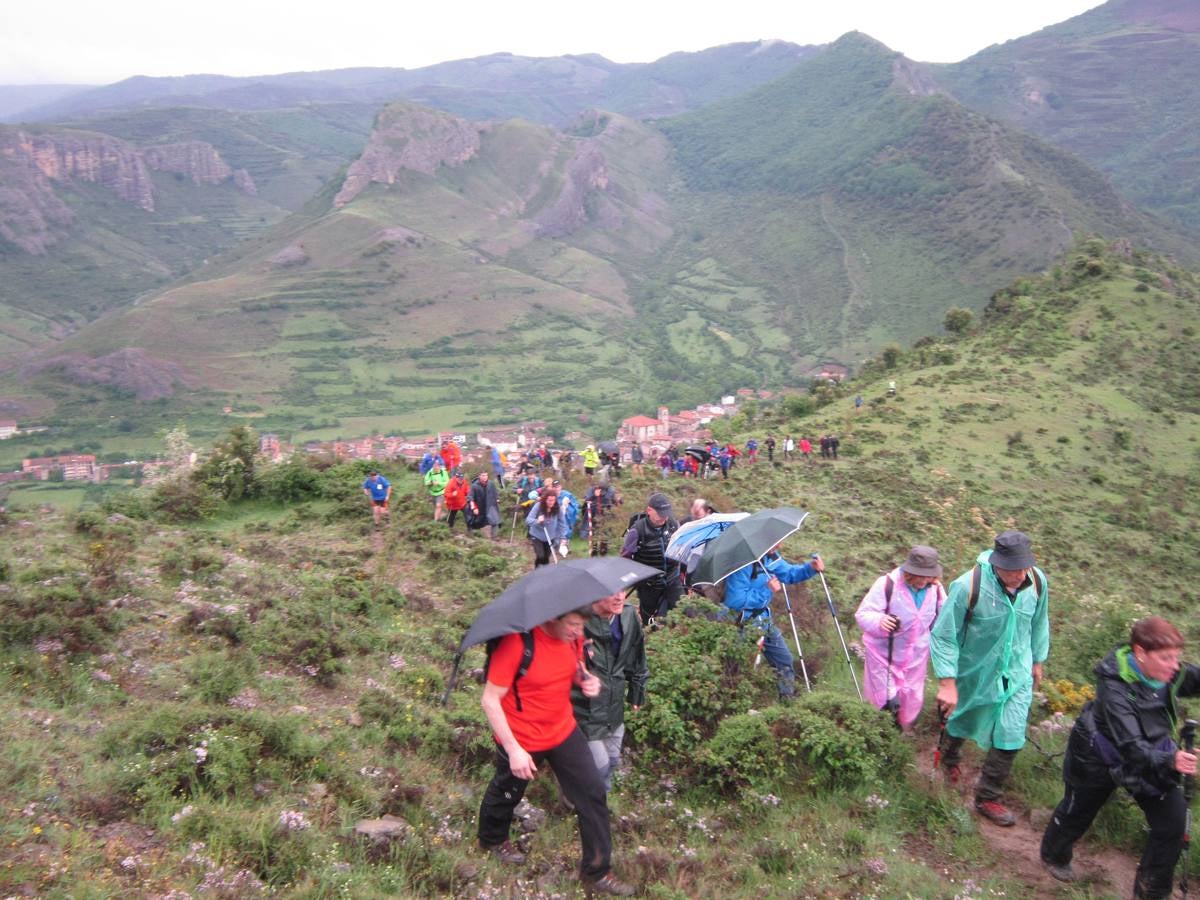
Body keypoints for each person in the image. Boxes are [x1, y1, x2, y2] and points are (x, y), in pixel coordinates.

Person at [478, 608, 635, 896]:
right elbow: (490, 700)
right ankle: (492, 840)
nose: (579, 632)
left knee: (592, 793)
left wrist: (586, 679)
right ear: (552, 618)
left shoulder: (572, 637)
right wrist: (514, 750)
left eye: (582, 626)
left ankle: (596, 872)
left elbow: (574, 666)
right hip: (521, 736)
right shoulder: (517, 643)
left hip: (562, 729)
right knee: (507, 791)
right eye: (574, 625)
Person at [1039, 617, 1200, 896]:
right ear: (1140, 652)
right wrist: (1171, 760)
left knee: (1173, 821)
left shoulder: (1166, 670)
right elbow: (1130, 745)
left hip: (1153, 751)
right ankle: (1054, 854)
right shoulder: (1113, 687)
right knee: (1079, 810)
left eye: (1177, 657)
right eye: (1166, 658)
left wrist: (1167, 758)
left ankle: (1151, 892)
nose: (1175, 666)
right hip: (1098, 753)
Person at [930, 530, 1050, 826]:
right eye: (1012, 569)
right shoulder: (967, 586)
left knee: (1011, 732)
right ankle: (949, 760)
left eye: (1024, 567)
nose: (1020, 574)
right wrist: (947, 682)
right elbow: (943, 636)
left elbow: (1039, 621)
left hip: (1017, 673)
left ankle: (988, 797)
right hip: (975, 671)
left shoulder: (1036, 581)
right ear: (996, 563)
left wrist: (1037, 660)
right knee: (961, 719)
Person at [854, 546, 947, 730]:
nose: (923, 580)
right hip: (883, 655)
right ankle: (884, 739)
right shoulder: (887, 585)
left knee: (909, 701)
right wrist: (880, 620)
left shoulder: (936, 591)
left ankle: (899, 735)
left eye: (927, 576)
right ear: (909, 572)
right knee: (887, 702)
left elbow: (944, 620)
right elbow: (863, 614)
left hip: (915, 658)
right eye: (919, 575)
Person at [723, 546, 823, 700]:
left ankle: (787, 702)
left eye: (779, 542)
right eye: (776, 543)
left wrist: (810, 568)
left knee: (784, 660)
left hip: (763, 621)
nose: (779, 546)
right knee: (737, 666)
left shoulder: (771, 557)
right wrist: (767, 590)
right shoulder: (742, 563)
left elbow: (789, 573)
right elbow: (735, 600)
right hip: (740, 623)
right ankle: (734, 706)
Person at [571, 591, 648, 791]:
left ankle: (593, 805)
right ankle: (588, 809)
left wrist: (637, 690)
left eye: (623, 590)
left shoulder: (629, 615)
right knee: (599, 768)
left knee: (612, 762)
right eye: (612, 592)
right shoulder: (577, 619)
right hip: (584, 709)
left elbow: (637, 654)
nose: (620, 597)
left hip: (614, 707)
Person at [620, 493, 681, 626]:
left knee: (678, 612)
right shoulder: (637, 530)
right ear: (649, 510)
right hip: (649, 583)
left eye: (666, 514)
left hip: (672, 578)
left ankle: (673, 642)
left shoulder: (673, 525)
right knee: (649, 619)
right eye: (660, 514)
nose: (664, 518)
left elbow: (681, 549)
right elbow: (625, 558)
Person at [527, 489, 568, 568]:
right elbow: (528, 520)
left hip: (550, 537)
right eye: (549, 500)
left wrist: (563, 537)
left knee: (546, 558)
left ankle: (545, 574)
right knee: (540, 556)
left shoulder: (557, 508)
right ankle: (537, 572)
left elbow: (562, 523)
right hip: (537, 536)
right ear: (545, 499)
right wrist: (537, 521)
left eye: (553, 500)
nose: (551, 502)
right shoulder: (539, 506)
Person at [467, 470, 502, 539]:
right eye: (483, 475)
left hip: (490, 506)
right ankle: (475, 537)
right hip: (479, 507)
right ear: (479, 476)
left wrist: (497, 499)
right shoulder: (474, 486)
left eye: (486, 475)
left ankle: (494, 537)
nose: (485, 477)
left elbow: (495, 492)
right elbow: (470, 498)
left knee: (495, 520)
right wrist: (474, 508)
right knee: (476, 523)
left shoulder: (491, 484)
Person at [423, 457, 449, 522]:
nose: (436, 467)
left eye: (437, 465)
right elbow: (426, 482)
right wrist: (431, 482)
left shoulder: (444, 472)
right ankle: (442, 515)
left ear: (440, 466)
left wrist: (438, 483)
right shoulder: (430, 473)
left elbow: (447, 483)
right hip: (432, 492)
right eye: (435, 465)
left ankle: (435, 522)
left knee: (438, 505)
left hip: (441, 492)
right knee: (436, 507)